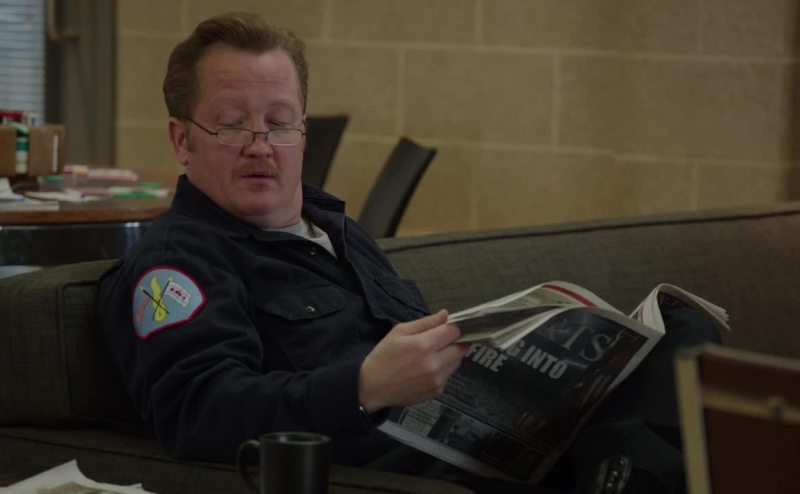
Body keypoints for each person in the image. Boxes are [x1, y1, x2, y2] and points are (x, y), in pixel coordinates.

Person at [97, 12, 720, 494]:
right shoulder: (177, 264)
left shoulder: (335, 228)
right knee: (650, 450)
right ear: (182, 139)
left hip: (487, 437)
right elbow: (199, 412)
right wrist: (364, 385)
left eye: (280, 121)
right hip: (412, 470)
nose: (261, 144)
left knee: (683, 334)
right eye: (232, 122)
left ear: (303, 131)